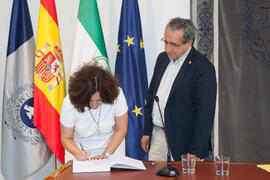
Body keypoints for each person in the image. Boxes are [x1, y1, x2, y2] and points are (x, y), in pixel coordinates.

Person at [141, 17, 217, 161]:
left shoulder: (203, 68)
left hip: (186, 144)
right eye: (166, 42)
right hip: (158, 136)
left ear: (189, 43)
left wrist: (196, 150)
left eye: (173, 44)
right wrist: (147, 131)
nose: (167, 49)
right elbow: (151, 97)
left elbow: (205, 114)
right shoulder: (162, 59)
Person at [60, 64, 128, 162]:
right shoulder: (69, 102)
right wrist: (77, 152)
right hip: (79, 151)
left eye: (99, 101)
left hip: (112, 148)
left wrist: (106, 154)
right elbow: (66, 138)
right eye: (90, 101)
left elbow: (121, 129)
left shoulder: (116, 95)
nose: (94, 106)